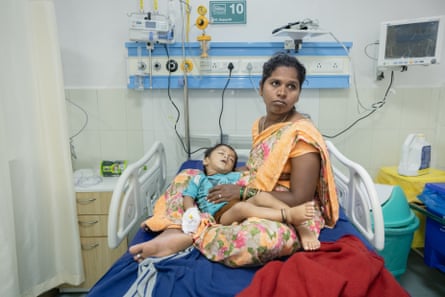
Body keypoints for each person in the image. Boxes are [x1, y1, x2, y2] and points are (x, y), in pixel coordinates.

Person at [129, 52, 338, 262]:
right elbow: (262, 166)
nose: (282, 92)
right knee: (187, 176)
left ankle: (195, 231)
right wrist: (235, 175)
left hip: (288, 208)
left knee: (254, 240)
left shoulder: (302, 135)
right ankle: (184, 223)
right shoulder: (261, 124)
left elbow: (300, 198)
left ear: (299, 93)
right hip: (256, 189)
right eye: (275, 83)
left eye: (291, 86)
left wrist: (241, 192)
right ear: (261, 87)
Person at [181, 143, 316, 240]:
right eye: (221, 153)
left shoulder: (233, 175)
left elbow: (255, 171)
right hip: (220, 215)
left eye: (231, 159)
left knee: (262, 196)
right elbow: (188, 196)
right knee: (242, 207)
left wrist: (284, 173)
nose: (226, 157)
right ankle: (287, 215)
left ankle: (299, 224)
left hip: (239, 202)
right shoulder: (199, 178)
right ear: (206, 160)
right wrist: (190, 212)